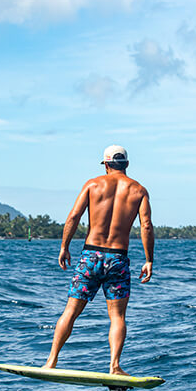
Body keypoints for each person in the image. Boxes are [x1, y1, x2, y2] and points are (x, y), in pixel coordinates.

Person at [41, 145, 154, 376]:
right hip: (118, 259)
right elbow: (146, 225)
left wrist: (64, 247)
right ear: (127, 164)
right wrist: (149, 259)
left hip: (91, 255)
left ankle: (51, 362)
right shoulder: (139, 190)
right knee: (118, 316)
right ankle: (114, 366)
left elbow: (73, 216)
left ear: (105, 164)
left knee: (70, 311)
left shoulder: (92, 184)